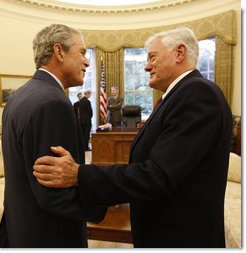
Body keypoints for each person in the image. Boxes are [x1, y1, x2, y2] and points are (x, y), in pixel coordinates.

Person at [33, 27, 233, 248]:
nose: (147, 66)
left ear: (180, 53)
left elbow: (157, 176)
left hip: (181, 239)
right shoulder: (180, 95)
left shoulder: (197, 94)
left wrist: (79, 174)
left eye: (152, 57)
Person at [0, 24, 106, 248]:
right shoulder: (53, 103)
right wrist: (103, 204)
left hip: (21, 229)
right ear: (59, 51)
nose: (87, 62)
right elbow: (55, 193)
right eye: (82, 53)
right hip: (49, 237)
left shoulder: (18, 96)